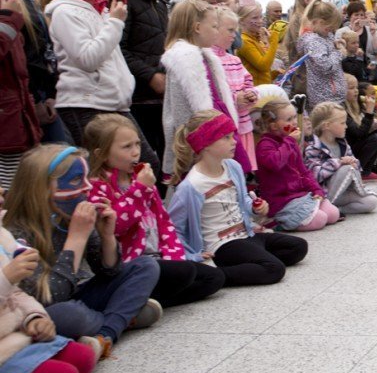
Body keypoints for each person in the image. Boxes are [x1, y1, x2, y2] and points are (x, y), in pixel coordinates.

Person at [5, 145, 162, 360]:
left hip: (80, 294)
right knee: (70, 314)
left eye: (86, 178)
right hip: (43, 310)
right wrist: (76, 239)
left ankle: (105, 334)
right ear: (41, 189)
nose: (88, 187)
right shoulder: (15, 232)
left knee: (145, 265)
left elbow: (110, 272)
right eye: (76, 180)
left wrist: (107, 236)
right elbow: (49, 298)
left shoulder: (72, 214)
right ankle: (120, 318)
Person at [83, 115, 225, 308]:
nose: (136, 152)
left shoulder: (140, 180)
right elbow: (116, 227)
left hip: (158, 258)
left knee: (214, 278)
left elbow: (164, 222)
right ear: (102, 154)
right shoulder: (97, 187)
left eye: (137, 144)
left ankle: (145, 303)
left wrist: (174, 256)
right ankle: (132, 301)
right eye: (126, 147)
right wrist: (140, 190)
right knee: (184, 273)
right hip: (132, 266)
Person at [40, 0, 160, 168]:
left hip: (112, 102)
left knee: (143, 166)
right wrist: (115, 22)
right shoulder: (65, 11)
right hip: (86, 103)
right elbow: (88, 59)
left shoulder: (98, 9)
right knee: (106, 170)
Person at [167, 111, 309, 285]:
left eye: (232, 135)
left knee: (298, 247)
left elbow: (242, 199)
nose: (234, 141)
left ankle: (248, 263)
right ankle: (214, 273)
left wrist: (254, 207)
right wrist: (191, 256)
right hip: (222, 245)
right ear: (206, 144)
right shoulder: (191, 186)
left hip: (247, 235)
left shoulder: (232, 166)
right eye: (226, 137)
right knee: (274, 269)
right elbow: (173, 228)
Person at [0, 182, 97, 373]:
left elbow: (16, 294)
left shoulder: (3, 236)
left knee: (81, 357)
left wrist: (34, 318)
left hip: (13, 336)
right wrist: (6, 279)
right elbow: (50, 292)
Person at [161, 0, 249, 178]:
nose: (217, 31)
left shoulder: (204, 57)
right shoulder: (184, 60)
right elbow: (181, 112)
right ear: (197, 27)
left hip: (216, 127)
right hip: (202, 138)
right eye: (214, 26)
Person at [3, 0, 68, 144]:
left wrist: (50, 93)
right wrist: (36, 98)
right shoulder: (12, 3)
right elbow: (22, 56)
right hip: (29, 95)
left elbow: (43, 49)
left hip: (41, 92)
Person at [112, 0, 170, 175]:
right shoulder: (125, 2)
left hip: (160, 97)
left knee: (165, 160)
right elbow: (118, 48)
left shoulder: (160, 4)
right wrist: (150, 75)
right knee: (143, 163)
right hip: (136, 97)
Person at [253, 100, 341, 232]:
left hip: (298, 194)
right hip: (280, 200)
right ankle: (278, 222)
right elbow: (276, 163)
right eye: (289, 119)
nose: (294, 122)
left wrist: (317, 190)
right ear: (274, 126)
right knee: (320, 219)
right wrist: (289, 141)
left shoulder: (289, 141)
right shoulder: (265, 145)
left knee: (333, 214)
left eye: (294, 117)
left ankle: (302, 215)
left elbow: (303, 171)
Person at [0, 0, 42, 189]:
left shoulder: (8, 10)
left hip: (17, 122)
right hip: (5, 128)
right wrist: (7, 21)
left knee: (21, 192)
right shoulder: (8, 16)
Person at [303, 103, 377, 213]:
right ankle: (327, 205)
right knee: (347, 169)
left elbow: (357, 168)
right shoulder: (313, 148)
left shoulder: (343, 144)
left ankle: (337, 210)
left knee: (371, 201)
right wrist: (338, 163)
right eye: (342, 123)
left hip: (344, 192)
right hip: (325, 194)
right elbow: (315, 175)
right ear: (327, 126)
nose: (346, 126)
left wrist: (354, 163)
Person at [212, 7, 260, 171]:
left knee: (242, 170)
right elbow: (214, 94)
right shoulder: (208, 60)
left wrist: (250, 94)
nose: (234, 35)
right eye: (230, 30)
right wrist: (234, 99)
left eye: (235, 30)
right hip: (224, 129)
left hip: (243, 123)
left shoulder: (234, 60)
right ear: (214, 29)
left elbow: (248, 81)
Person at [296, 0, 346, 108]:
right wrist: (339, 53)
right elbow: (325, 66)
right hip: (325, 98)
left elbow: (328, 51)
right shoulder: (313, 41)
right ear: (319, 22)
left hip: (332, 96)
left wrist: (336, 45)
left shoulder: (324, 35)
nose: (331, 31)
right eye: (329, 28)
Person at [344, 78, 377, 181]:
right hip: (347, 151)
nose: (356, 91)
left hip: (355, 145)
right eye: (351, 88)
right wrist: (369, 112)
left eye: (356, 88)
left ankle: (366, 170)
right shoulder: (342, 108)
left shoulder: (356, 104)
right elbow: (359, 133)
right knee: (375, 138)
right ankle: (359, 171)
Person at [237, 3, 287, 86]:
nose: (260, 21)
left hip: (261, 87)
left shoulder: (255, 40)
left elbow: (259, 72)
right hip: (255, 90)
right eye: (255, 18)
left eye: (261, 17)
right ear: (241, 21)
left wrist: (274, 74)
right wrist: (274, 41)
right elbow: (263, 66)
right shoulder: (245, 41)